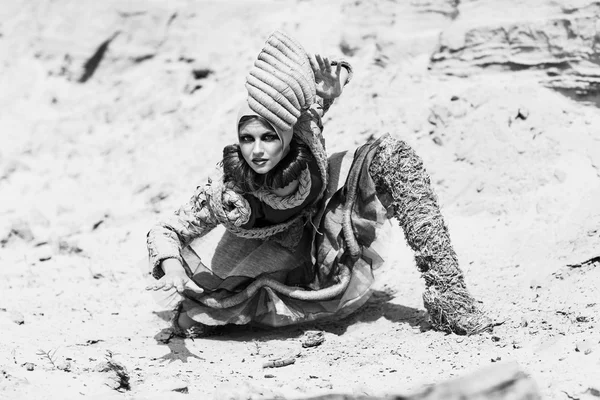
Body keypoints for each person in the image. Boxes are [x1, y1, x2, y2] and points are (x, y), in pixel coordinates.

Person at [146, 31, 491, 337]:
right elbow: (165, 229)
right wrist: (173, 266)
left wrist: (327, 94)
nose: (257, 150)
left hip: (325, 215)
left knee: (393, 156)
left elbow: (310, 113)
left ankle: (449, 294)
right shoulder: (228, 194)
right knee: (201, 318)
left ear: (286, 132)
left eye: (269, 137)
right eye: (247, 139)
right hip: (274, 257)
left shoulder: (303, 135)